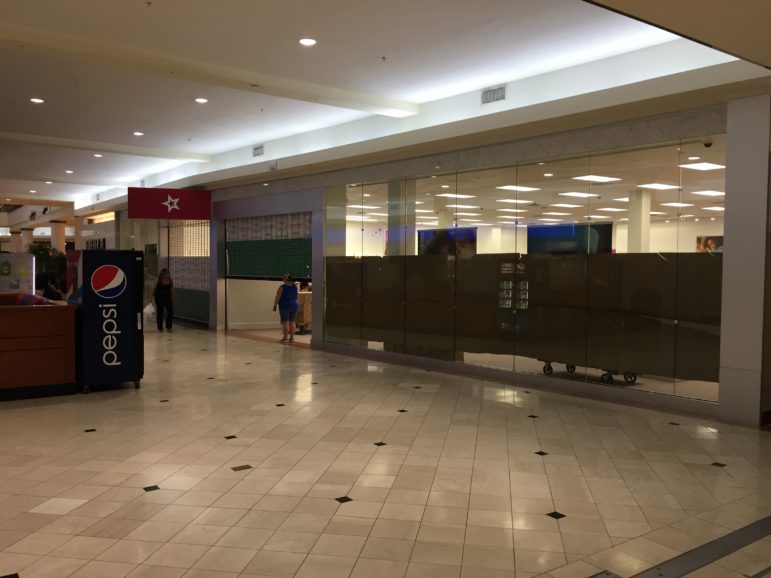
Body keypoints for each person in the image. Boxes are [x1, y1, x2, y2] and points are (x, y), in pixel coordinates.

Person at [273, 273, 299, 343]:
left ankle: (285, 338)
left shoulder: (282, 287)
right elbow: (296, 295)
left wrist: (275, 305)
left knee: (285, 322)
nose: (282, 279)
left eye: (283, 278)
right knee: (292, 321)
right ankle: (292, 338)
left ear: (286, 279)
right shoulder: (294, 286)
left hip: (285, 305)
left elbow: (278, 296)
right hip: (295, 305)